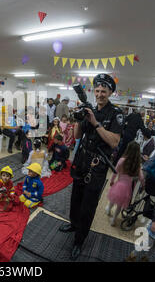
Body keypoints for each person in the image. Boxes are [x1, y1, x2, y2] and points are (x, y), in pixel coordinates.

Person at [59, 73, 123, 260]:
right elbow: (78, 135)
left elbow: (114, 142)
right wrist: (80, 117)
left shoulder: (116, 114)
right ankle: (73, 223)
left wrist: (95, 123)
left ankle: (79, 240)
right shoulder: (90, 108)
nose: (100, 94)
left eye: (104, 91)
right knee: (76, 198)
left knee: (88, 205)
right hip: (82, 160)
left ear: (110, 92)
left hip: (98, 166)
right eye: (97, 90)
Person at [106, 141, 145, 226]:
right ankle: (114, 219)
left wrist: (112, 181)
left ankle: (109, 209)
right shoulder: (137, 164)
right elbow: (141, 177)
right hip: (128, 187)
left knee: (114, 198)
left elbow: (115, 171)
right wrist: (143, 185)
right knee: (120, 205)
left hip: (119, 184)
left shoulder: (122, 160)